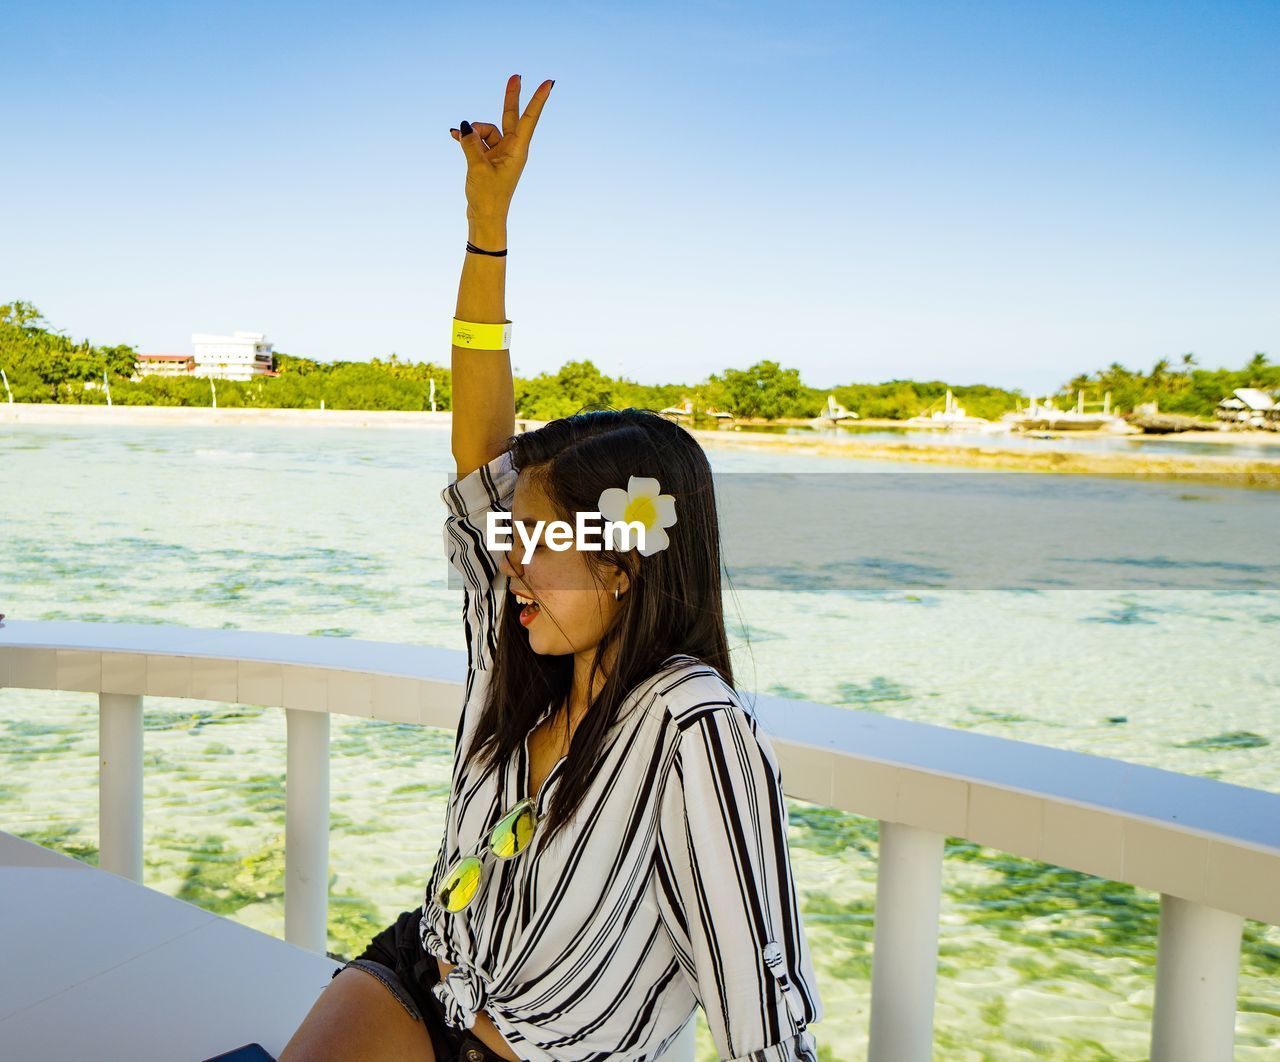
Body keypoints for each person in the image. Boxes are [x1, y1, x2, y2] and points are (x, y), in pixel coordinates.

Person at [282, 73, 822, 1062]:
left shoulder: (692, 727)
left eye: (540, 540)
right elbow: (479, 442)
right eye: (511, 538)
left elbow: (758, 995)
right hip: (425, 974)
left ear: (624, 565)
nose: (512, 563)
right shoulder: (523, 661)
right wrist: (485, 228)